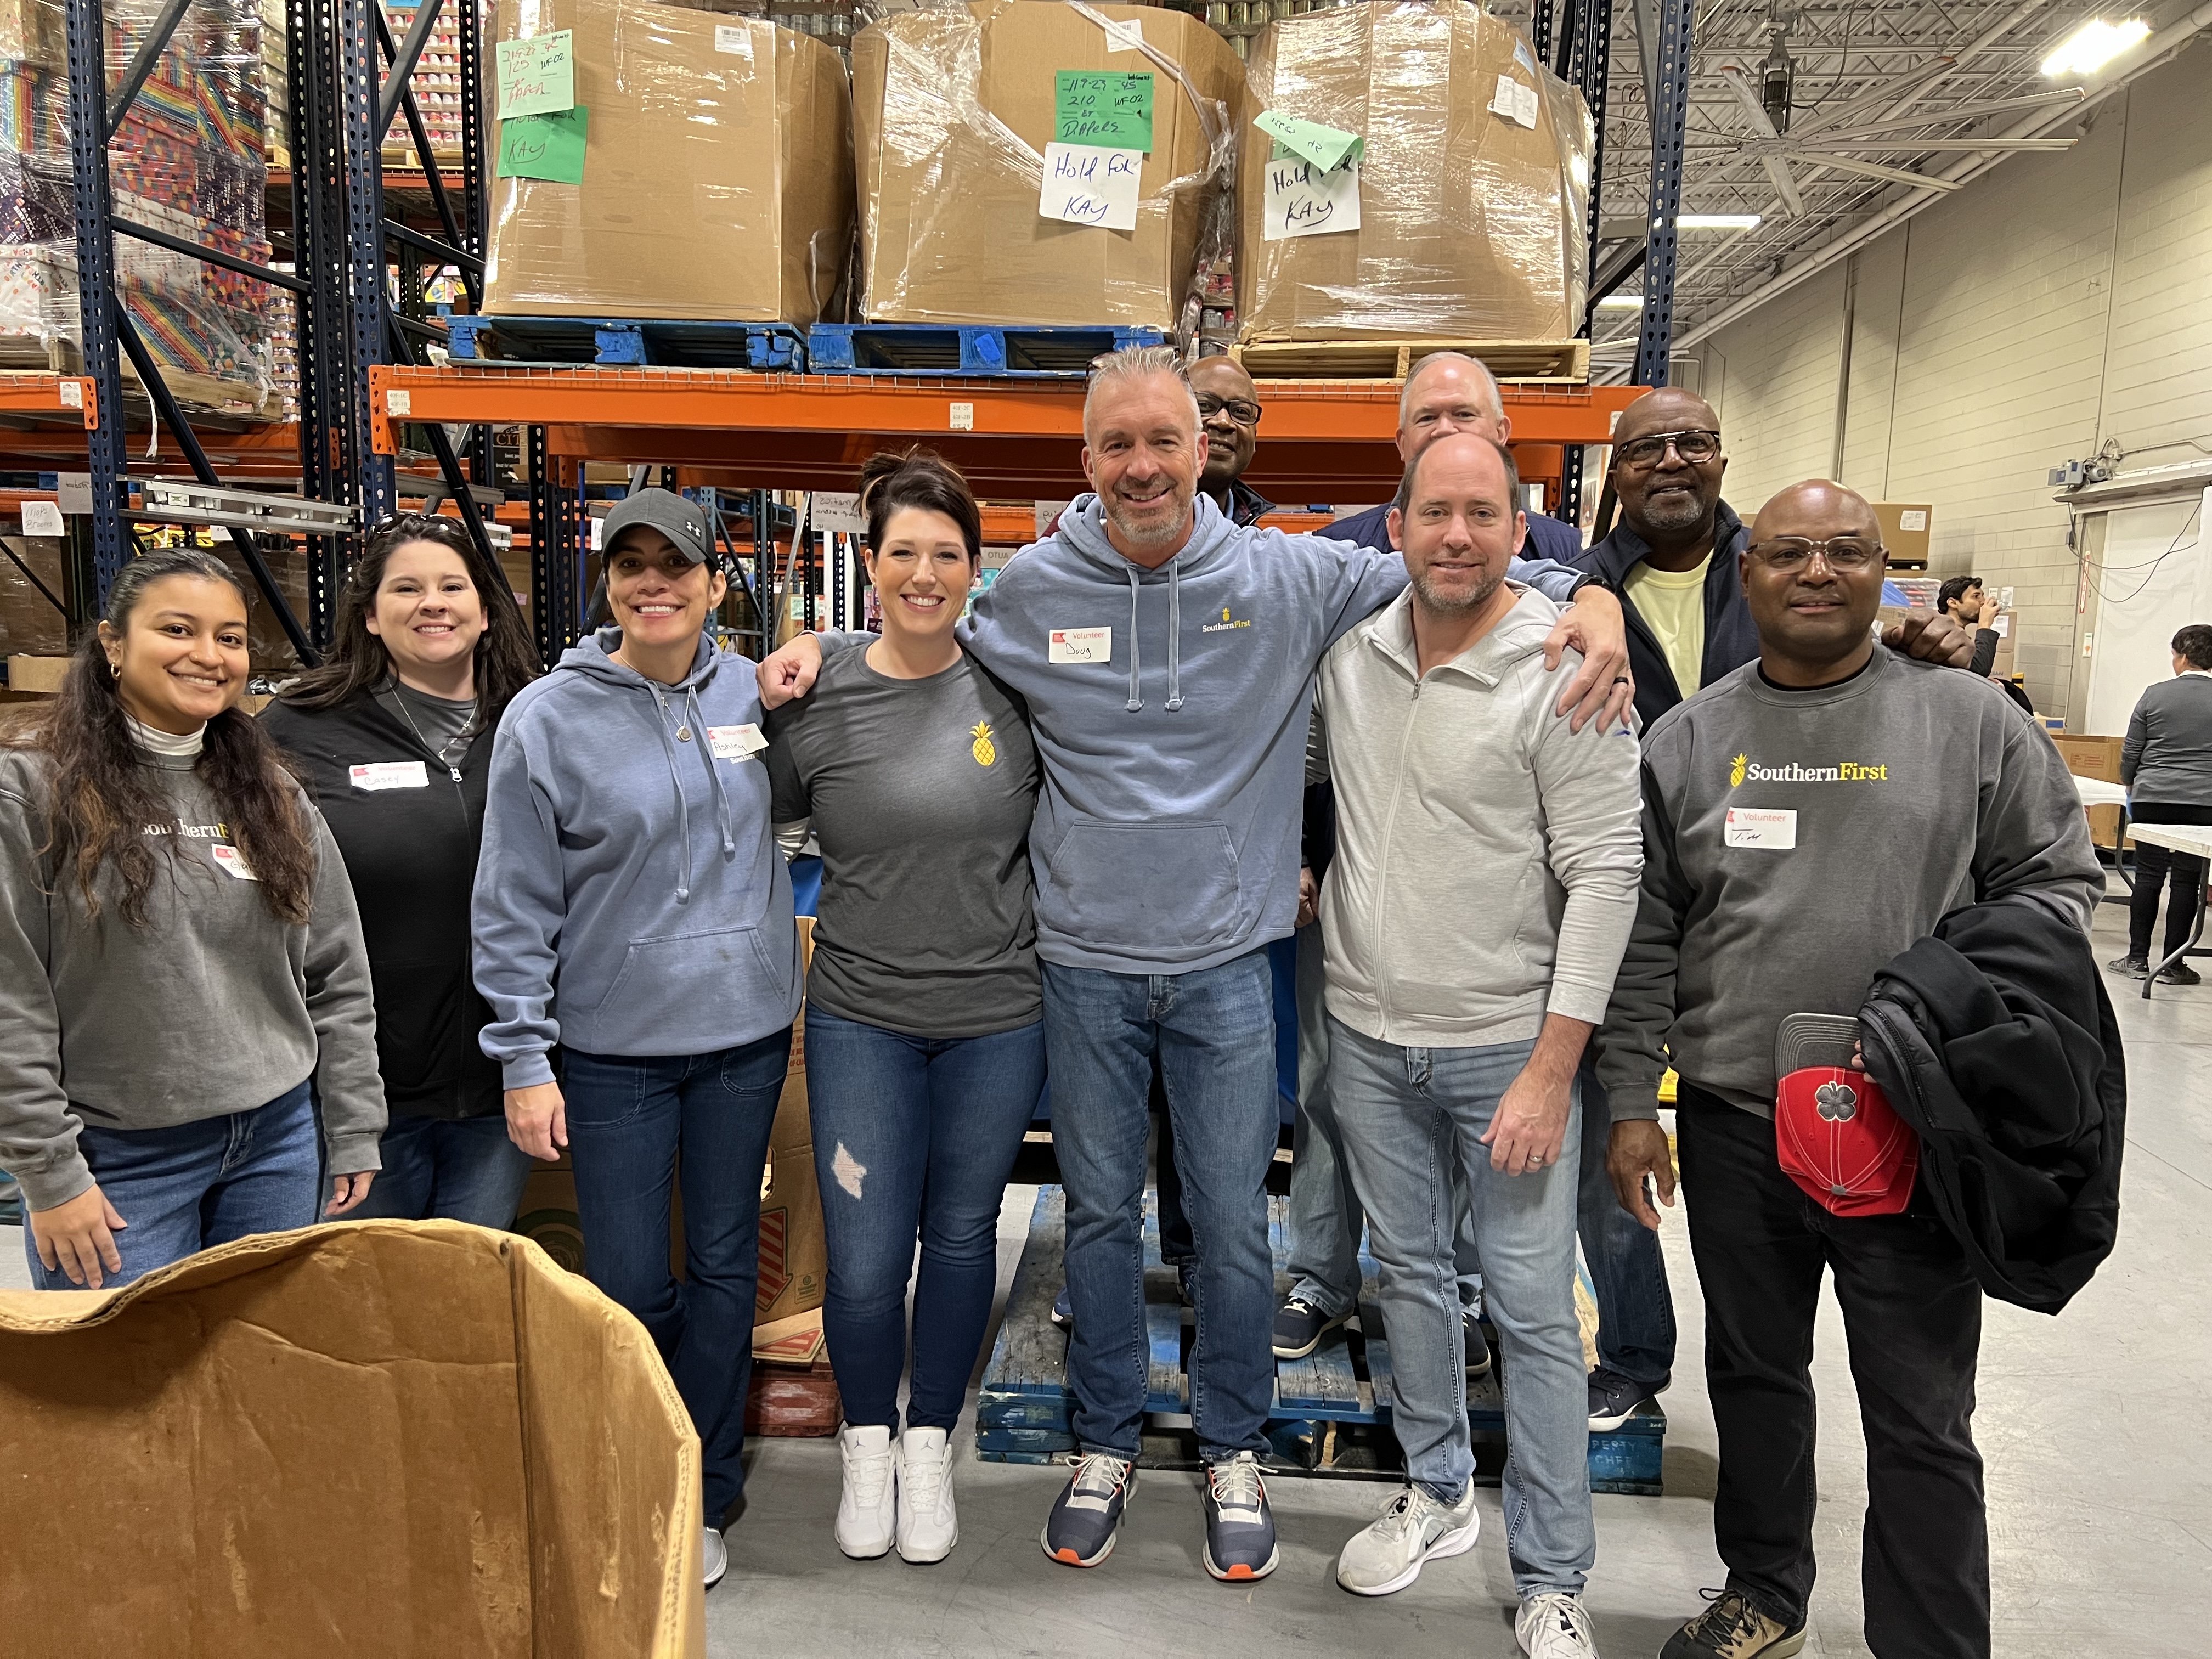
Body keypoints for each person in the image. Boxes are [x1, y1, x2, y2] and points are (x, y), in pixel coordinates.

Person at [760, 345, 1635, 1585]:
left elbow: (1464, 557)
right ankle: (1105, 1441)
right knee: (1101, 1219)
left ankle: (1233, 1447)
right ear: (1086, 464)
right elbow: (918, 639)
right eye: (1116, 445)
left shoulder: (1284, 577)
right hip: (1084, 970)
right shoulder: (1027, 592)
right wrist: (812, 651)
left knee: (1232, 1229)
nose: (1142, 466)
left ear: (1202, 450)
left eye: (1164, 441)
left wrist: (1595, 596)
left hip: (1229, 971)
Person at [1599, 479, 2102, 1659]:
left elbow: (2058, 888)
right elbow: (1646, 940)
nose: (1815, 572)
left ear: (1885, 572)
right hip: (1738, 1122)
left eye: (1842, 551)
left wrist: (1947, 1007)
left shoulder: (1970, 719)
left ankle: (1932, 1640)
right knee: (1757, 1375)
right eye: (1787, 553)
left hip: (1917, 1128)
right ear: (1748, 573)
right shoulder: (1690, 739)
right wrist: (1632, 1102)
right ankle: (1766, 1591)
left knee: (1921, 1407)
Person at [1567, 388, 1976, 1433]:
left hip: (1868, 1030)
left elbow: (1840, 634)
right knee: (1619, 1163)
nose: (1671, 460)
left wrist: (1915, 650)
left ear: (1720, 461)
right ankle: (1637, 1354)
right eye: (1646, 446)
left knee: (1918, 1397)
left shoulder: (1787, 563)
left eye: (1692, 442)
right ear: (1614, 472)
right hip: (1642, 912)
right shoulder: (1575, 582)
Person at [1316, 434, 1640, 1659]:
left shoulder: (1566, 669)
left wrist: (1554, 1072)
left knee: (1530, 1309)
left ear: (1522, 533)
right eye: (1434, 512)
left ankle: (1555, 1572)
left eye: (1483, 514)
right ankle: (1440, 1489)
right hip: (1366, 1036)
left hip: (1506, 1048)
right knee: (1406, 1277)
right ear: (1393, 526)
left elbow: (1609, 874)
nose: (1457, 535)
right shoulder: (1349, 659)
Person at [473, 487, 800, 1593]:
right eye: (631, 565)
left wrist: (817, 649)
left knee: (719, 1269)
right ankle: (633, 1466)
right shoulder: (547, 719)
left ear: (717, 584)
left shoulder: (750, 694)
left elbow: (895, 644)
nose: (653, 584)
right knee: (623, 1281)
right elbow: (512, 903)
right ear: (607, 583)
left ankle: (702, 1488)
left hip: (744, 1041)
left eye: (677, 565)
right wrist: (523, 1056)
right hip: (609, 1050)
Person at [1275, 347, 1614, 1373]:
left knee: (1487, 1125)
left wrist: (1595, 608)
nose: (1439, 430)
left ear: (1506, 447)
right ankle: (1321, 1276)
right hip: (1356, 898)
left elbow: (1585, 614)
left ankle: (1465, 1293)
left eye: (1463, 413)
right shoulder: (1348, 548)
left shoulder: (1555, 553)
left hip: (1485, 921)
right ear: (1397, 448)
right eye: (1422, 417)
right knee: (1333, 1092)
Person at [764, 450, 1047, 1567]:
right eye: (903, 554)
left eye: (947, 555)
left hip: (997, 1015)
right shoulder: (816, 694)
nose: (924, 574)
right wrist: (791, 655)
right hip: (861, 1017)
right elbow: (734, 790)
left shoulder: (1019, 691)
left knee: (965, 1235)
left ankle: (932, 1437)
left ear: (976, 570)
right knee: (871, 1255)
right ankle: (869, 1437)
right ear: (868, 565)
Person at [0, 549, 383, 1291]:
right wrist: (49, 1174)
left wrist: (353, 1123)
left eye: (231, 638)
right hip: (117, 1162)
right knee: (126, 1393)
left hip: (276, 1142)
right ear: (114, 644)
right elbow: (10, 995)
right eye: (179, 630)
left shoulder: (271, 796)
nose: (208, 656)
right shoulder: (32, 789)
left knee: (256, 1372)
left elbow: (337, 974)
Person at [262, 514, 540, 1227]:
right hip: (362, 1087)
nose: (433, 603)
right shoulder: (302, 726)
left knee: (469, 1297)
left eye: (453, 586)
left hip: (498, 1082)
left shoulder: (532, 720)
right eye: (408, 588)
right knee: (365, 1310)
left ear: (484, 612)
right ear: (372, 616)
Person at [2111, 624, 2212, 983]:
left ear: (2182, 657)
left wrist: (2129, 781)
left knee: (2149, 876)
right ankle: (2173, 964)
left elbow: (2132, 751)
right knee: (2187, 881)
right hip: (2204, 802)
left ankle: (2137, 959)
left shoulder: (2154, 695)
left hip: (2153, 796)